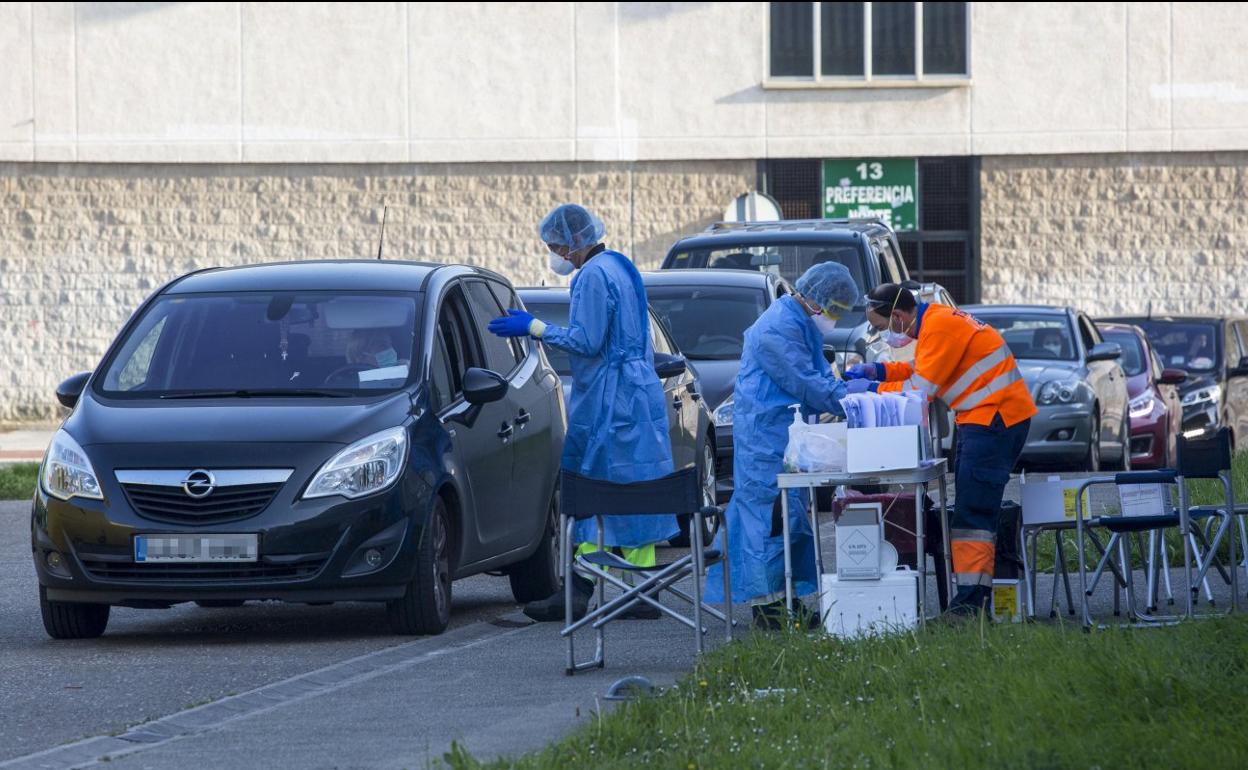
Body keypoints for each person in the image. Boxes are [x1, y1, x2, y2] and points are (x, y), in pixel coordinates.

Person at [488, 203, 677, 622]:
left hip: (610, 400)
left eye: (554, 245)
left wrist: (535, 328)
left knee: (593, 491)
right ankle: (640, 590)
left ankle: (579, 588)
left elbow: (587, 342)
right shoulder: (620, 266)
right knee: (636, 491)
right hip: (638, 396)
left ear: (573, 242)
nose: (553, 253)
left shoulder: (591, 276)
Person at [846, 285, 1037, 615]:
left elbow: (921, 390)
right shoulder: (935, 322)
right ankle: (971, 597)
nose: (883, 335)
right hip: (988, 418)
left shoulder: (939, 327)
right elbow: (921, 370)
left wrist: (873, 388)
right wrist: (878, 370)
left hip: (993, 419)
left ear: (898, 316)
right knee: (970, 509)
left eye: (881, 327)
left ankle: (971, 603)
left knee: (972, 515)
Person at [703, 262, 857, 629]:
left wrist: (849, 390)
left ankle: (786, 598)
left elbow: (819, 374)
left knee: (790, 518)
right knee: (767, 519)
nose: (835, 317)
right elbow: (807, 383)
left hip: (786, 434)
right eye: (835, 309)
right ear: (817, 297)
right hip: (765, 437)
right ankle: (767, 606)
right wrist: (856, 401)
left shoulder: (800, 322)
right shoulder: (778, 328)